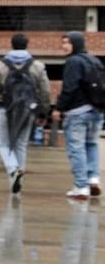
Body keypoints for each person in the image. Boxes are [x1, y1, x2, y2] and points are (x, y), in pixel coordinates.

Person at [0, 34, 50, 196]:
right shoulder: (37, 65)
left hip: (6, 108)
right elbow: (45, 91)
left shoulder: (0, 65)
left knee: (4, 144)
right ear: (27, 45)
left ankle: (13, 170)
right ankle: (18, 182)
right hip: (28, 110)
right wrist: (43, 112)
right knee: (21, 145)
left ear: (12, 44)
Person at [50, 31, 104, 203]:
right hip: (96, 111)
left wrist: (59, 108)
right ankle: (93, 179)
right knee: (92, 144)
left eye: (67, 42)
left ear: (76, 44)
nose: (64, 46)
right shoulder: (94, 60)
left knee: (76, 148)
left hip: (77, 113)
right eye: (63, 42)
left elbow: (70, 88)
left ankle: (81, 187)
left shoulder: (73, 61)